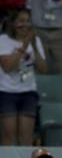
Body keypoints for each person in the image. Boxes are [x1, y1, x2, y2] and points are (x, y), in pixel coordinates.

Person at [0, 9, 47, 146]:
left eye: (28, 21)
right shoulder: (3, 40)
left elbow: (43, 69)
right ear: (13, 23)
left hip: (28, 92)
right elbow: (8, 67)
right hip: (6, 92)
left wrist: (34, 47)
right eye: (21, 21)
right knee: (8, 136)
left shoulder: (36, 41)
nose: (25, 24)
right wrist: (24, 46)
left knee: (25, 138)